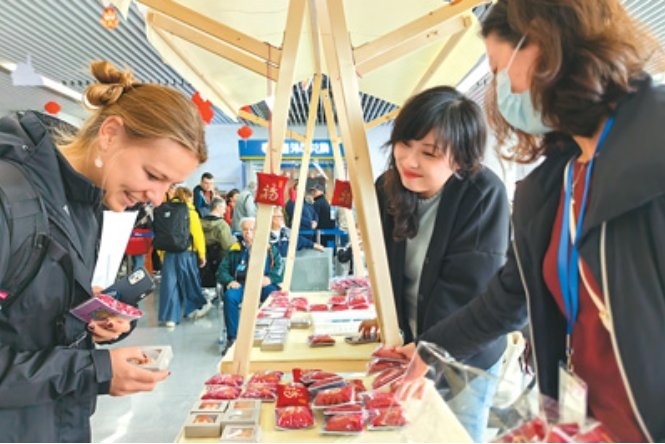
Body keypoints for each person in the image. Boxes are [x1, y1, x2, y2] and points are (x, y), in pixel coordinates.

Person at [402, 1, 664, 441]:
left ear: (545, 46)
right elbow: (510, 296)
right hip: (586, 424)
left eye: (499, 68)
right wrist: (428, 351)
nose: (500, 89)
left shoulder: (653, 151)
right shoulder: (554, 184)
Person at [0, 60, 206, 442]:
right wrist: (92, 371)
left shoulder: (85, 206)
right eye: (153, 175)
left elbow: (24, 316)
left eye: (170, 185)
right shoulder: (10, 200)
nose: (157, 198)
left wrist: (90, 318)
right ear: (110, 134)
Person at [361, 85, 510, 441]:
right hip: (414, 345)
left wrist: (429, 352)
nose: (409, 161)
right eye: (404, 144)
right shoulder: (386, 188)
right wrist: (386, 314)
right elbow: (388, 267)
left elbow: (467, 289)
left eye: (429, 153)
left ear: (461, 158)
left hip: (465, 354)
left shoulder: (483, 194)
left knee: (457, 433)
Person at [217, 217, 283, 349]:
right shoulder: (234, 249)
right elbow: (221, 271)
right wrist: (229, 281)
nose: (248, 233)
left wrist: (270, 278)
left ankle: (271, 334)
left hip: (262, 284)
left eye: (252, 230)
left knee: (273, 296)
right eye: (245, 230)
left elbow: (280, 268)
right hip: (241, 284)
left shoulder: (269, 249)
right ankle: (233, 339)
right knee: (230, 297)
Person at [158, 186, 212, 327]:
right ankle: (194, 309)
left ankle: (170, 317)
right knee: (189, 282)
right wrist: (202, 254)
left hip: (168, 253)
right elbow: (197, 235)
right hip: (186, 252)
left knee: (170, 284)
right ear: (188, 197)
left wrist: (161, 254)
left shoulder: (165, 210)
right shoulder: (190, 212)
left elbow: (161, 234)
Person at [200, 197, 236, 296]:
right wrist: (234, 240)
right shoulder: (222, 225)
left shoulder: (200, 222)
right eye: (224, 208)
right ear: (218, 207)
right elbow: (227, 245)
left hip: (202, 258)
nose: (225, 211)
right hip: (218, 258)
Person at [309, 181, 336, 248]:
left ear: (321, 192)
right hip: (327, 233)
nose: (313, 193)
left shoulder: (317, 203)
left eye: (315, 191)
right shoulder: (325, 202)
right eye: (312, 191)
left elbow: (313, 218)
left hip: (320, 234)